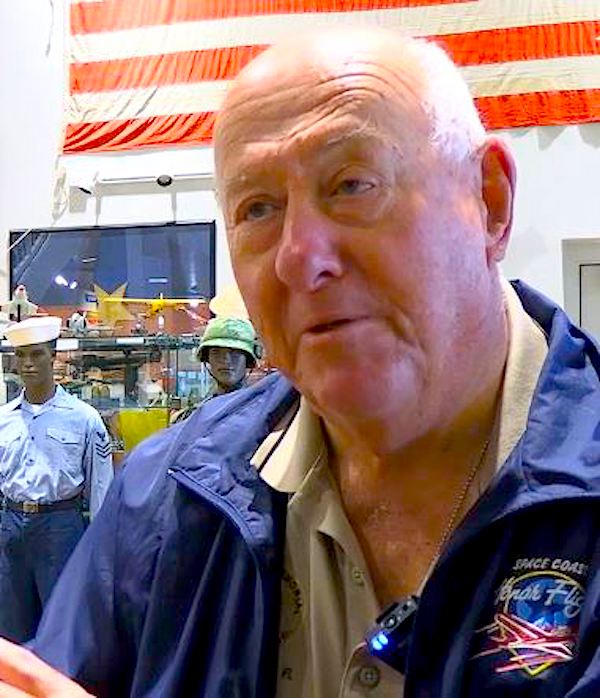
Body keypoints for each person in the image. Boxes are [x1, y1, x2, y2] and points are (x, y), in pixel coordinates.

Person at [1, 28, 600, 697]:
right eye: (258, 208)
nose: (299, 256)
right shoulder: (168, 500)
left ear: (488, 201)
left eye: (352, 184)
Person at [0, 316, 113, 644]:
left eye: (36, 354)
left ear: (53, 355)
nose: (28, 363)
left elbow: (101, 488)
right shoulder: (4, 419)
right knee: (9, 630)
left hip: (61, 527)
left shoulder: (84, 419)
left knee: (61, 628)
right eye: (21, 355)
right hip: (10, 528)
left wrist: (100, 550)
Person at [171, 316, 259, 423]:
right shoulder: (190, 419)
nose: (226, 359)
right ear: (207, 358)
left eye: (234, 352)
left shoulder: (263, 415)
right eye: (216, 352)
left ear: (248, 359)